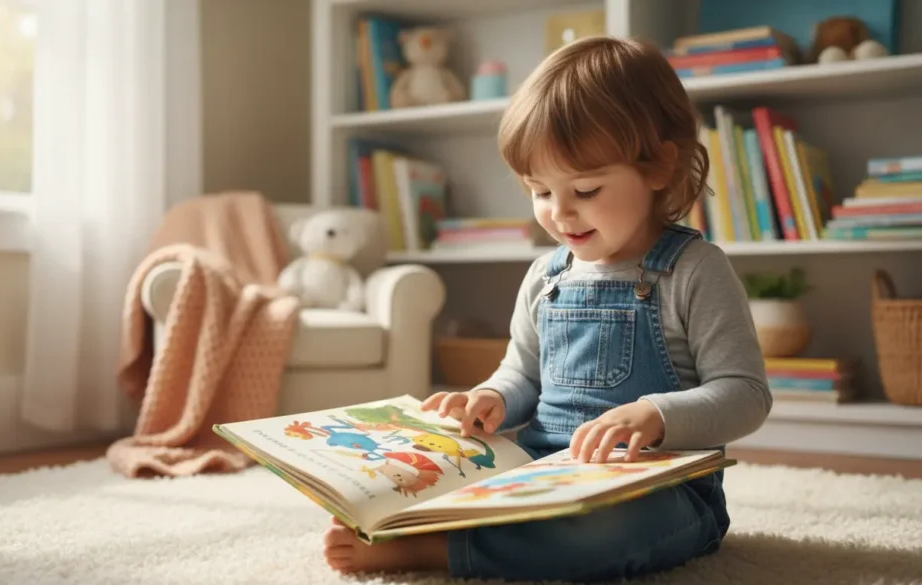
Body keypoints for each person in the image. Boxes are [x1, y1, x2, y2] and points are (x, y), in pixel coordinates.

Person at [323, 35, 771, 583]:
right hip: (540, 473)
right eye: (539, 191)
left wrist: (657, 415)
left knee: (610, 533)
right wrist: (488, 399)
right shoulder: (546, 276)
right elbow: (522, 374)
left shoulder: (695, 270)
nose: (560, 213)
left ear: (658, 167)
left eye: (584, 189)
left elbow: (745, 394)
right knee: (419, 474)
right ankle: (435, 526)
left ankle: (439, 553)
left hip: (658, 488)